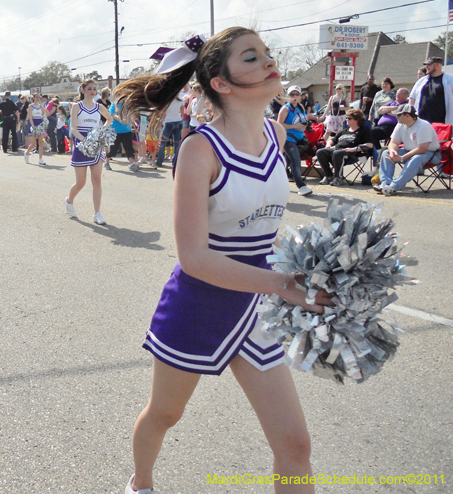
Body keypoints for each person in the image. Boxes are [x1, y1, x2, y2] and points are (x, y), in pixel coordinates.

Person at [114, 29, 331, 494]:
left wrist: (310, 271)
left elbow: (266, 228)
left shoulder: (275, 133)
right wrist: (283, 284)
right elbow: (193, 258)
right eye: (251, 58)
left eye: (267, 54)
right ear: (222, 84)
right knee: (165, 414)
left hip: (258, 306)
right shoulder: (199, 150)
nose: (269, 62)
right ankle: (141, 484)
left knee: (295, 445)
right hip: (201, 303)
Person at [65, 79, 114, 225]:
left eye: (95, 89)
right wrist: (84, 140)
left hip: (96, 145)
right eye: (90, 88)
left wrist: (100, 131)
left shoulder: (99, 107)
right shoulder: (76, 106)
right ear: (83, 90)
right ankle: (69, 201)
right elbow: (73, 128)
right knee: (81, 183)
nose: (93, 91)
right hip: (82, 144)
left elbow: (109, 119)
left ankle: (97, 213)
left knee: (97, 179)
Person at [375, 104, 441, 196]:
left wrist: (402, 158)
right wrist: (393, 151)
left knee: (416, 158)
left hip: (431, 154)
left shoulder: (423, 126)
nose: (396, 117)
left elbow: (422, 149)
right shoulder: (400, 125)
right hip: (410, 151)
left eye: (398, 115)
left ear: (407, 115)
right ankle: (385, 183)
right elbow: (393, 142)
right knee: (386, 153)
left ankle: (394, 186)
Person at [314, 108, 372, 186]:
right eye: (346, 118)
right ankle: (328, 176)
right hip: (337, 150)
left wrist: (353, 149)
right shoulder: (344, 131)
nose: (346, 120)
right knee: (321, 151)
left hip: (352, 153)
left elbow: (370, 144)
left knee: (337, 153)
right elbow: (333, 140)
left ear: (357, 120)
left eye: (349, 118)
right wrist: (328, 146)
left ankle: (338, 178)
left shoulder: (363, 131)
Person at [276, 86, 313, 195]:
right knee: (296, 162)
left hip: (299, 139)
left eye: (297, 94)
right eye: (292, 95)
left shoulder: (301, 107)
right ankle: (301, 186)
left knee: (285, 164)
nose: (295, 97)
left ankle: (275, 183)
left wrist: (306, 126)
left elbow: (303, 121)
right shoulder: (285, 109)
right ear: (288, 96)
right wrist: (294, 126)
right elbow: (279, 125)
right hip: (288, 139)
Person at [409, 56, 453, 125]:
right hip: (421, 123)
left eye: (429, 65)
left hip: (442, 123)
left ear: (437, 65)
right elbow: (412, 98)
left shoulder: (450, 79)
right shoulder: (421, 81)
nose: (426, 67)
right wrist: (410, 114)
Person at [107, 95, 139, 171]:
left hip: (127, 130)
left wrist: (134, 122)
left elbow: (130, 115)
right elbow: (114, 115)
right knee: (113, 149)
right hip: (116, 131)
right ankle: (106, 161)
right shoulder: (114, 105)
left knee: (129, 148)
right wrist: (121, 119)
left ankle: (131, 164)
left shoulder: (127, 105)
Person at [155, 88, 185, 167]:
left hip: (168, 121)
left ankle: (159, 161)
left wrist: (163, 119)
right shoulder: (181, 99)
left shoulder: (167, 100)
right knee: (176, 143)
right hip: (178, 120)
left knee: (163, 142)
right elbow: (182, 112)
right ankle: (175, 161)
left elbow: (163, 112)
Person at [24, 93, 54, 165]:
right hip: (33, 125)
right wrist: (33, 126)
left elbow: (47, 112)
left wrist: (44, 116)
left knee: (40, 142)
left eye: (39, 97)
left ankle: (40, 159)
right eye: (36, 97)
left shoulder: (41, 106)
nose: (38, 98)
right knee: (33, 144)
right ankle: (27, 153)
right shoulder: (31, 106)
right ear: (33, 98)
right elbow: (30, 117)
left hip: (40, 125)